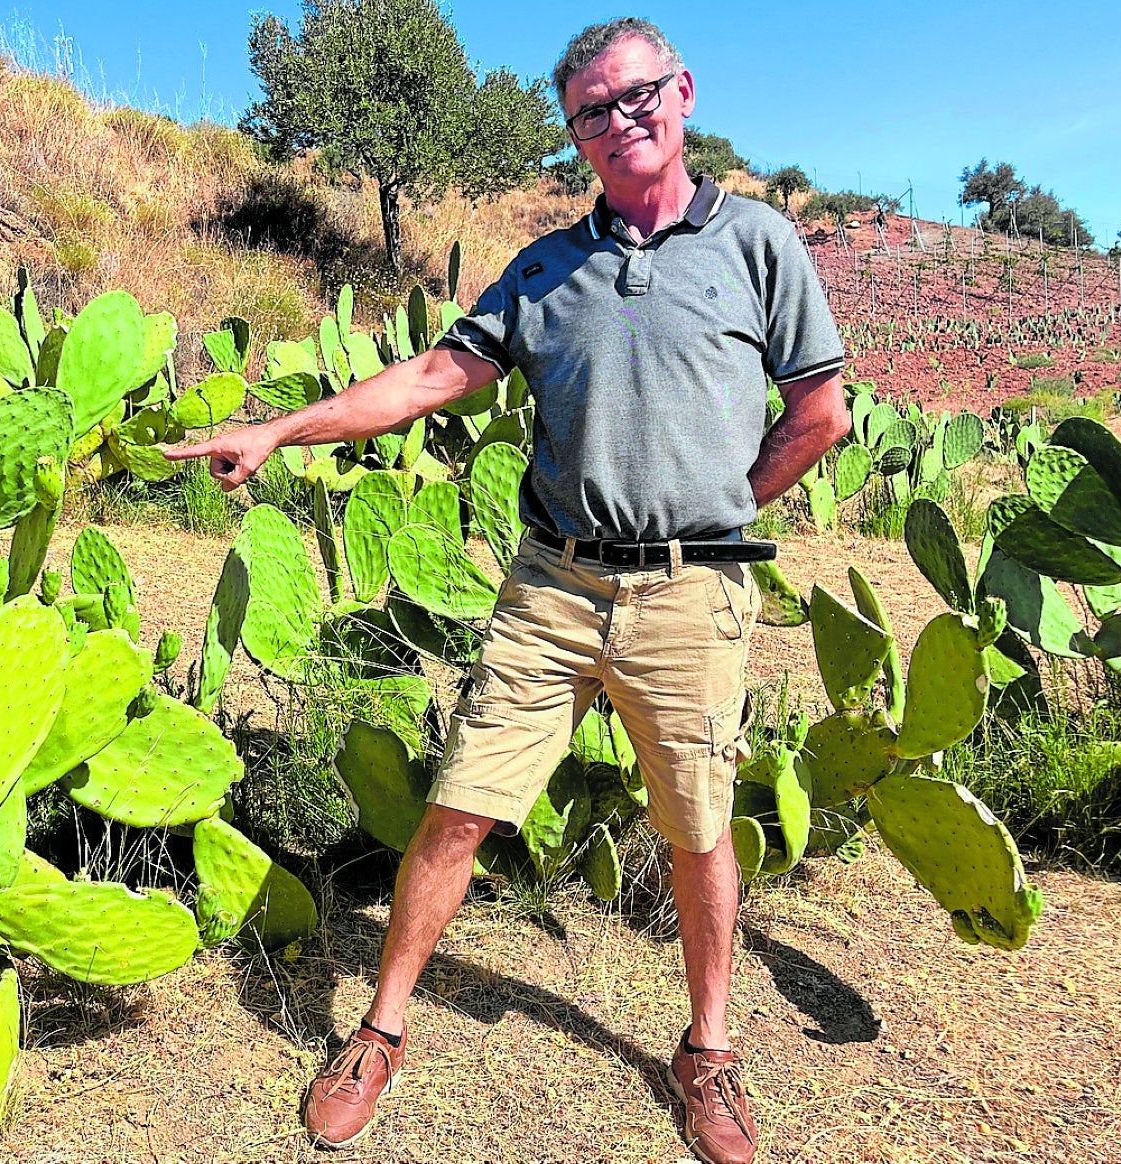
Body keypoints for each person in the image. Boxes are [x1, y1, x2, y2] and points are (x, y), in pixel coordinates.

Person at [166, 17, 849, 1164]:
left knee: (699, 832)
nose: (619, 122)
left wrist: (724, 509)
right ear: (575, 134)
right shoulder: (545, 268)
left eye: (635, 97)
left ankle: (708, 1054)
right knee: (461, 808)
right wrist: (281, 428)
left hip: (693, 598)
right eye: (592, 111)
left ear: (681, 93)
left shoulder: (761, 243)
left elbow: (820, 413)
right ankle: (380, 1033)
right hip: (553, 591)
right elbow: (434, 376)